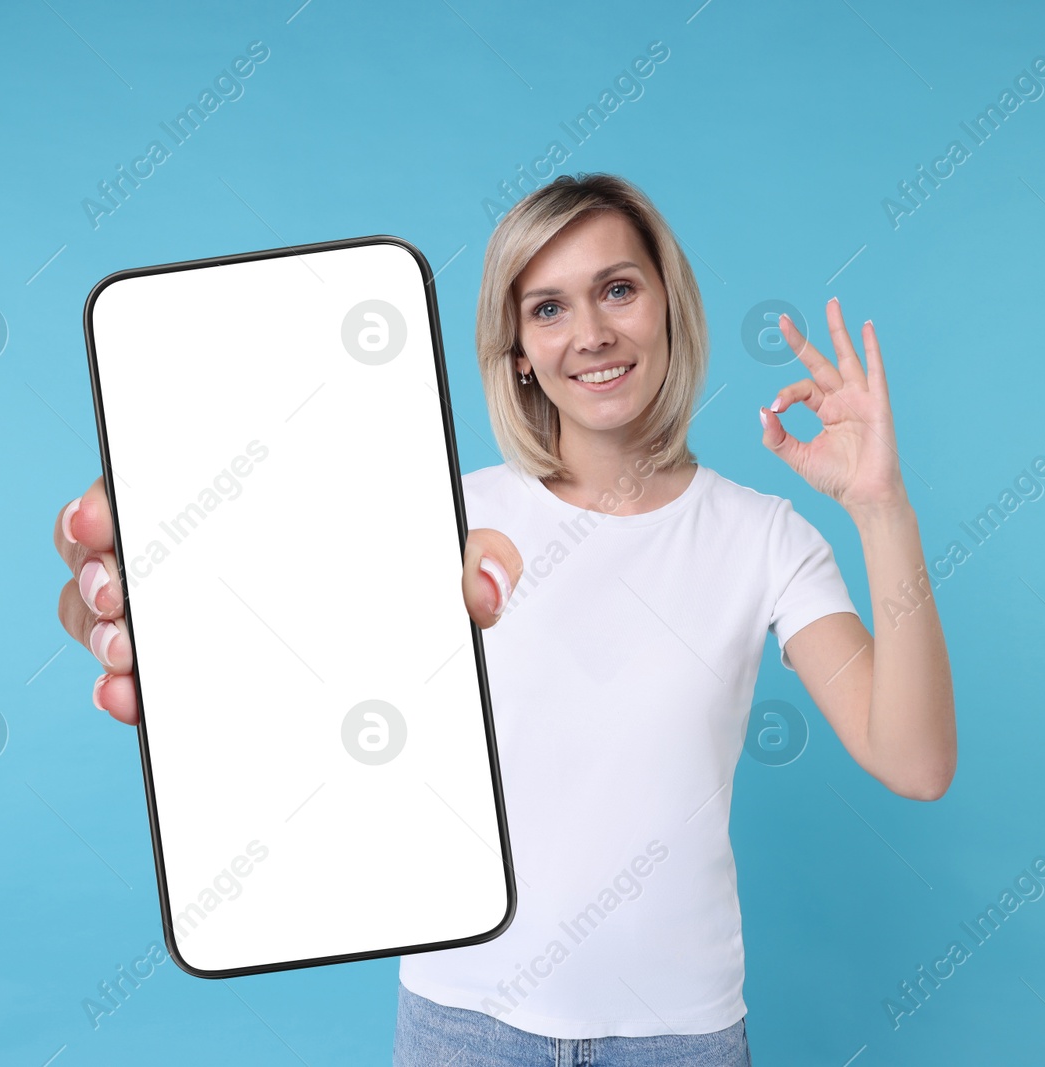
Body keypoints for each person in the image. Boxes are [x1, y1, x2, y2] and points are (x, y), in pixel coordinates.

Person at [52, 172, 955, 1065]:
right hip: (464, 1025)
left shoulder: (764, 538)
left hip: (680, 1036)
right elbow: (275, 656)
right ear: (517, 347)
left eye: (618, 289)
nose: (593, 333)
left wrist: (881, 507)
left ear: (668, 307)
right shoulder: (447, 520)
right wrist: (139, 595)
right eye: (549, 308)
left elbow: (913, 761)